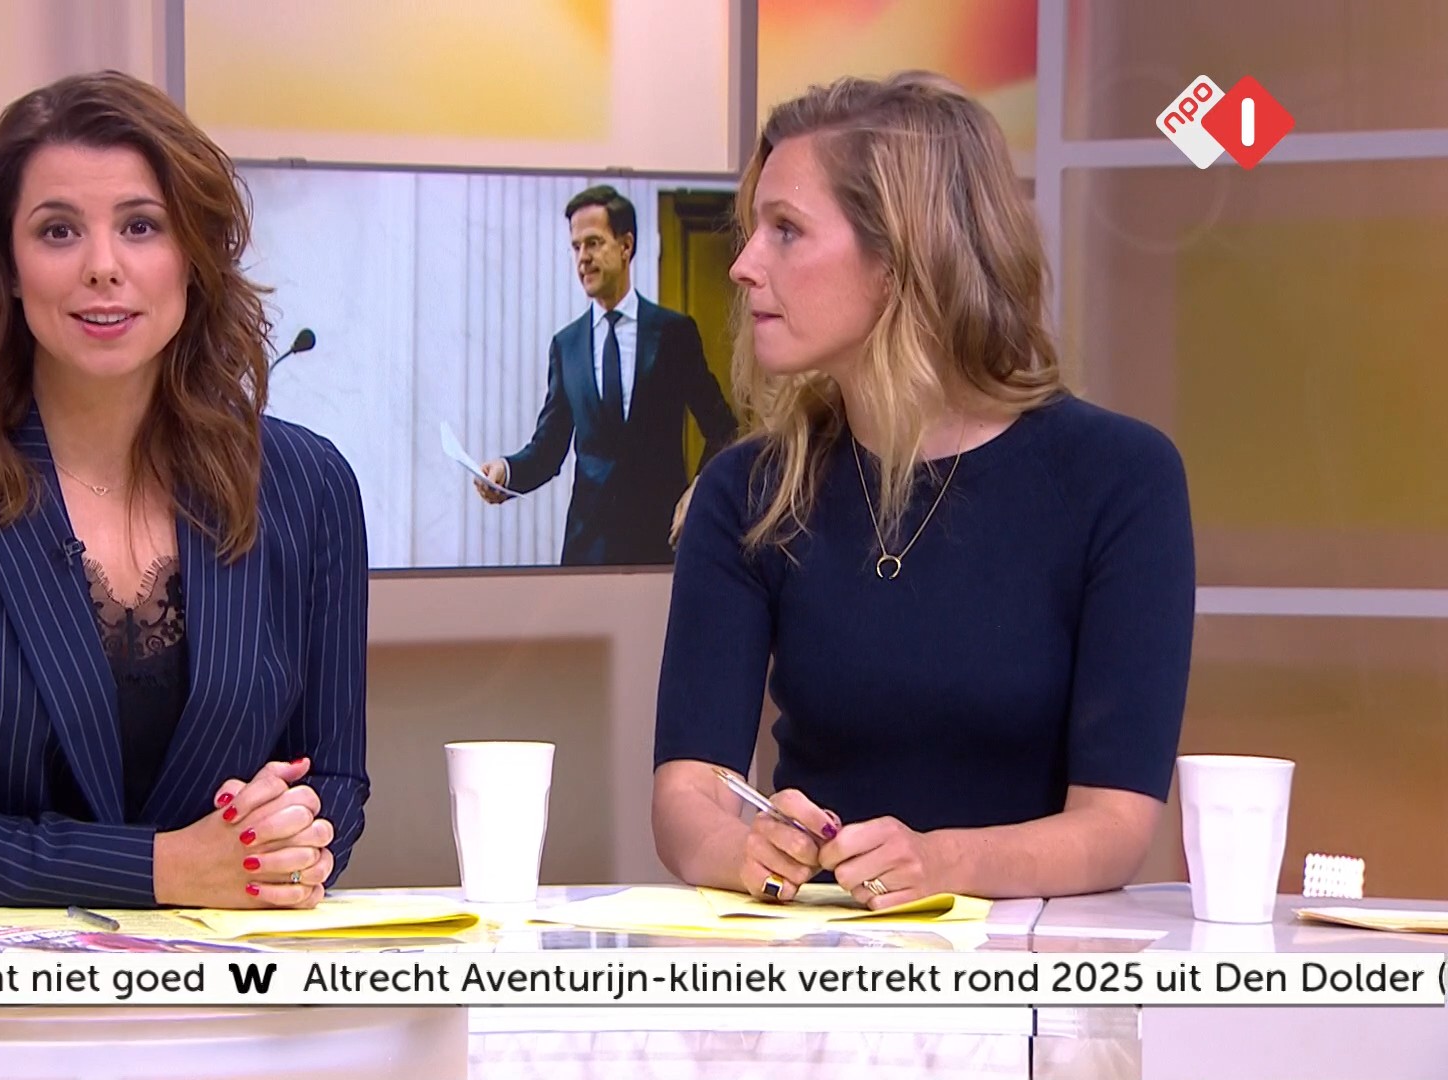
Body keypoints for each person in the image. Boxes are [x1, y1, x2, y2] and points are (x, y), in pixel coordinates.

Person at [0, 70, 368, 911]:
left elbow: (334, 779)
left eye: (141, 226)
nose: (104, 267)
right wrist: (164, 870)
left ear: (193, 255)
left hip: (212, 976)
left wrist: (286, 840)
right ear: (8, 264)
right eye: (59, 230)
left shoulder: (309, 486)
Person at [651, 72, 1195, 907]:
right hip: (818, 949)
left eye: (786, 230)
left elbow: (1115, 824)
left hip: (1029, 960)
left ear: (902, 256)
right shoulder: (746, 490)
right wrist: (747, 849)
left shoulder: (1121, 478)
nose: (744, 265)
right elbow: (688, 795)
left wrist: (939, 864)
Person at [475, 185, 737, 566]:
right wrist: (506, 470)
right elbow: (548, 450)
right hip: (587, 554)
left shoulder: (673, 333)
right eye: (576, 247)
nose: (583, 257)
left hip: (661, 547)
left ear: (626, 245)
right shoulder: (566, 346)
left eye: (594, 243)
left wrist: (699, 488)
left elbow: (724, 429)